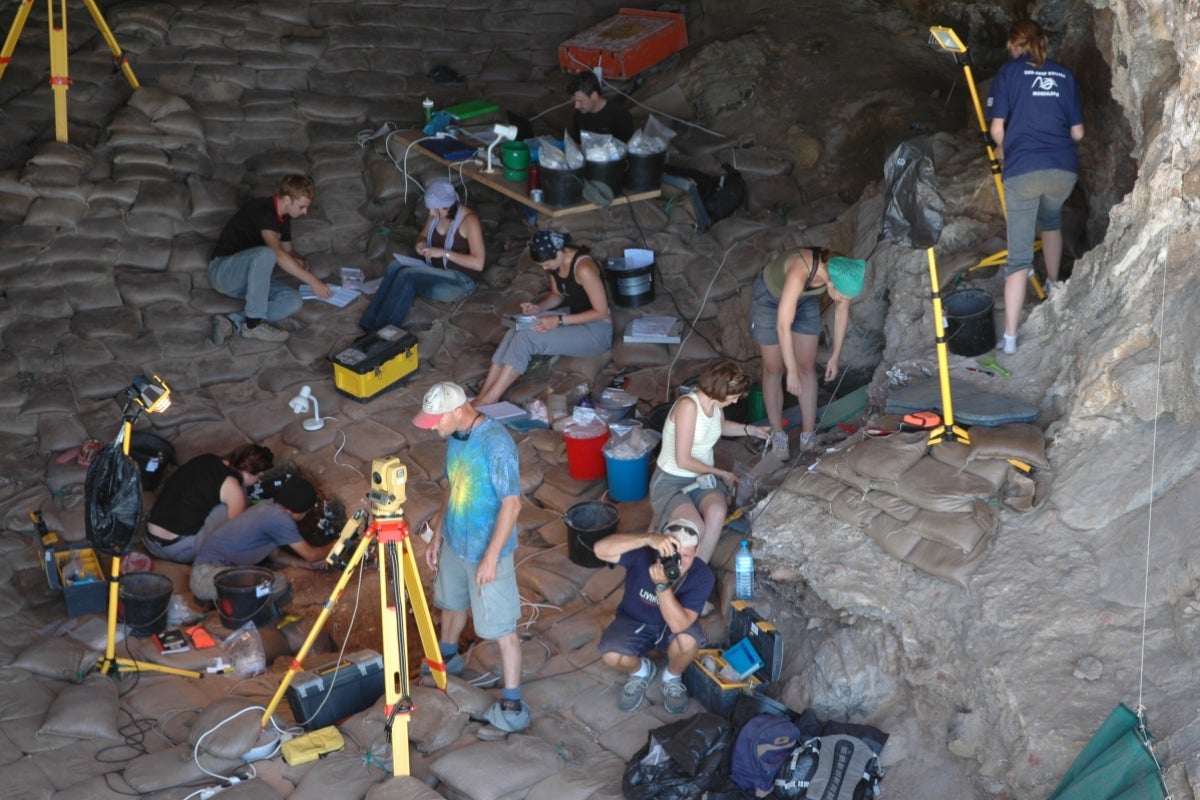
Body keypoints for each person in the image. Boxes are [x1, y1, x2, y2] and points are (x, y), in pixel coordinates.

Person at [413, 381, 528, 738]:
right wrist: (438, 532)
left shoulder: (496, 444)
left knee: (502, 629)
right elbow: (452, 484)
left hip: (486, 550)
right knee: (451, 604)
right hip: (456, 542)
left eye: (437, 420)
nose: (433, 427)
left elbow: (512, 503)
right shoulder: (456, 436)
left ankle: (512, 704)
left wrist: (491, 557)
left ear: (457, 411)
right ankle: (447, 658)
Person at [986, 20, 1084, 355]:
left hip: (1024, 171)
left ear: (1013, 46)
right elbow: (1078, 134)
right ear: (1043, 43)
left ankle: (1011, 339)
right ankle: (1054, 285)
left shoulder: (1008, 73)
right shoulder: (1064, 75)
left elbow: (997, 130)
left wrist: (1008, 146)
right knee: (1052, 220)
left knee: (1018, 257)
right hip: (1063, 171)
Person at [749, 247, 866, 460]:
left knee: (807, 366)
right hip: (770, 300)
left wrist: (835, 355)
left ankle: (808, 434)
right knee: (774, 368)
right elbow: (783, 326)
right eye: (841, 296)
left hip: (804, 301)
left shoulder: (840, 273)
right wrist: (790, 370)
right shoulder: (799, 271)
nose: (841, 300)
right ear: (830, 283)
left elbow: (842, 311)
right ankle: (778, 434)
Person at [474, 230, 612, 406]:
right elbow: (557, 295)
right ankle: (484, 393)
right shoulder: (556, 265)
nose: (545, 268)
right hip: (573, 318)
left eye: (547, 264)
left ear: (559, 252)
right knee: (516, 329)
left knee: (527, 338)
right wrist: (538, 308)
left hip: (597, 331)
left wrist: (558, 321)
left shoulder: (584, 268)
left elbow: (601, 312)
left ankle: (490, 399)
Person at [650, 361, 769, 563]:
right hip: (672, 480)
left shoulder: (714, 405)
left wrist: (751, 429)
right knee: (695, 527)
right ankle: (673, 573)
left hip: (701, 478)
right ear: (721, 391)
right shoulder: (688, 406)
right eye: (733, 397)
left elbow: (719, 427)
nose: (734, 402)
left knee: (717, 511)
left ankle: (698, 572)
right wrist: (721, 473)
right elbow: (683, 460)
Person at [593, 518, 714, 714]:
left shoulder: (702, 574)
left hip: (671, 627)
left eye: (687, 555)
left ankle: (672, 677)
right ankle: (640, 671)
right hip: (635, 621)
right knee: (611, 654)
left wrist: (661, 586)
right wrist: (648, 539)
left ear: (697, 550)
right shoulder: (644, 554)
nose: (680, 563)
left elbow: (679, 625)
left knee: (689, 642)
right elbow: (600, 549)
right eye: (674, 554)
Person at [208, 174, 332, 344]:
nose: (305, 212)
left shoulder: (285, 217)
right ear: (287, 199)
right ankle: (253, 325)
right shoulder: (263, 210)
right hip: (224, 272)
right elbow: (277, 253)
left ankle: (233, 322)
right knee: (267, 253)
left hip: (249, 281)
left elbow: (288, 250)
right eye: (302, 207)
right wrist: (313, 281)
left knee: (293, 300)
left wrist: (299, 261)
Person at [359, 179, 486, 332]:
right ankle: (367, 324)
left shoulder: (469, 221)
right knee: (394, 266)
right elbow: (422, 237)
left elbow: (478, 263)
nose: (431, 213)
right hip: (436, 269)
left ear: (447, 206)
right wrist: (421, 244)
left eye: (434, 210)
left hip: (461, 281)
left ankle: (384, 333)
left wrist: (444, 253)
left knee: (407, 276)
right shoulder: (436, 214)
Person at [189, 475, 332, 603]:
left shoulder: (267, 507)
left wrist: (304, 564)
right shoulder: (280, 519)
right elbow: (312, 555)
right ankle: (235, 603)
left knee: (273, 581)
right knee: (277, 583)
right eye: (306, 511)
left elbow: (276, 556)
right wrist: (337, 543)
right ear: (298, 510)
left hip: (211, 574)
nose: (306, 515)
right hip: (207, 577)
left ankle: (226, 598)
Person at [144, 444, 274, 563]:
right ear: (251, 473)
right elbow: (237, 535)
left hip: (149, 540)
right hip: (176, 550)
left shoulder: (207, 459)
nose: (257, 481)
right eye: (259, 477)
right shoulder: (234, 490)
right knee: (230, 509)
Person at [568, 70, 634, 143]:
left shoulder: (619, 114)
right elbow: (577, 142)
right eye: (575, 101)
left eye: (580, 101)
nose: (576, 106)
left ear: (594, 96)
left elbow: (626, 147)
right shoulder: (579, 113)